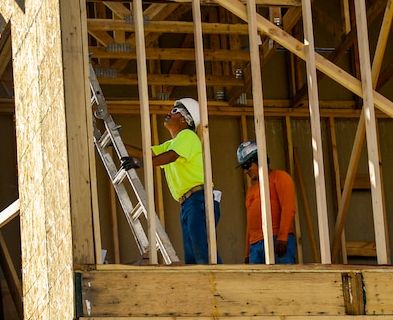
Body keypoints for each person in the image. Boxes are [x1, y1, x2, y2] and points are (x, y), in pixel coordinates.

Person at [121, 97, 221, 264]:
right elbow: (146, 153)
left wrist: (140, 163)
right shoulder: (171, 144)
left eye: (174, 111)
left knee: (203, 252)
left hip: (199, 200)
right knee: (193, 256)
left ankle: (219, 278)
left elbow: (170, 157)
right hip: (189, 204)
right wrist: (116, 144)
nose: (169, 113)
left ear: (184, 119)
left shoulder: (188, 136)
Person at [237, 140, 297, 264]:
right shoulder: (251, 191)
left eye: (247, 165)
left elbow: (288, 208)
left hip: (276, 239)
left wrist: (282, 237)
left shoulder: (280, 177)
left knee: (282, 276)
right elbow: (250, 224)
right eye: (243, 167)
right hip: (255, 246)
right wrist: (247, 253)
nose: (245, 171)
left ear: (259, 160)